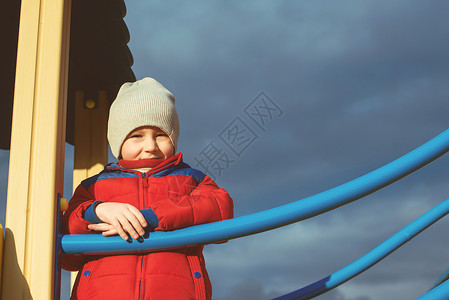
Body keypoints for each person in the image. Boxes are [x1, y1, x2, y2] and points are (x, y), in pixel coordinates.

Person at [62, 77, 234, 300]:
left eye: (161, 135)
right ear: (118, 143)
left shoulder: (190, 179)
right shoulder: (95, 187)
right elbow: (67, 250)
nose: (150, 146)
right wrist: (97, 210)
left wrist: (153, 217)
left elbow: (220, 208)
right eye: (137, 136)